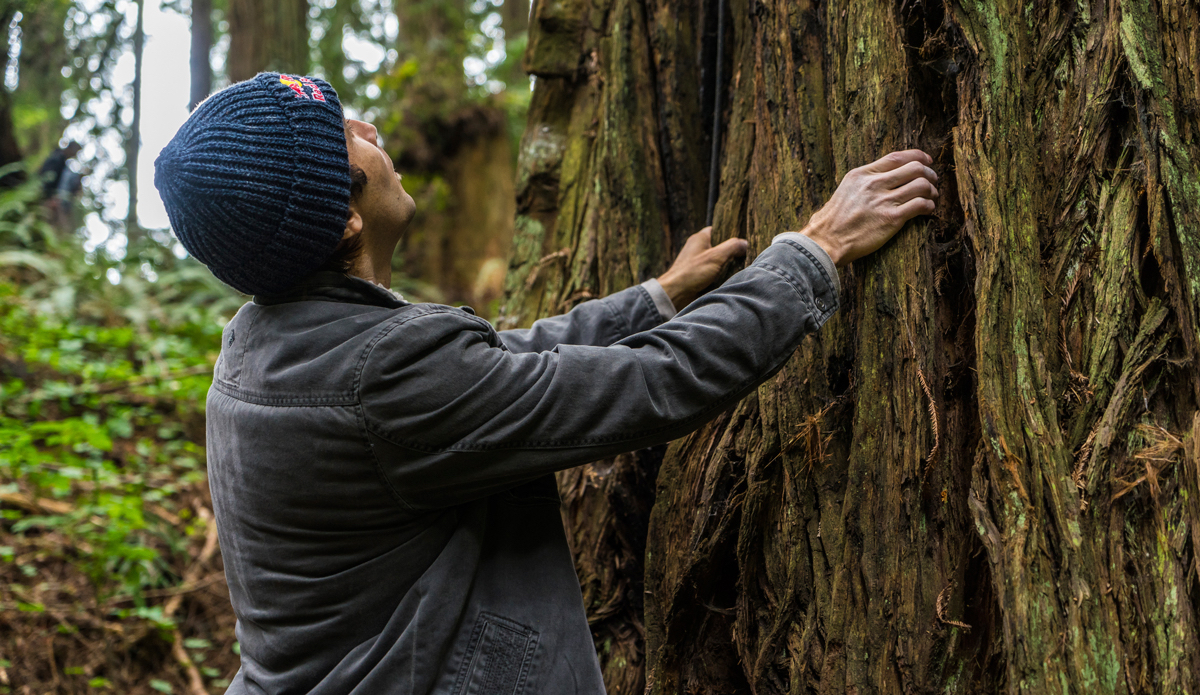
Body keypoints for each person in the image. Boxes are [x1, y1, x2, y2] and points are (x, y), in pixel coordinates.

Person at [154, 73, 938, 695]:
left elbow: (491, 372)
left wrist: (654, 297)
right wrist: (813, 249)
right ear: (344, 220)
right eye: (345, 135)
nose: (370, 130)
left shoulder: (267, 341)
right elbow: (650, 384)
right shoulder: (382, 377)